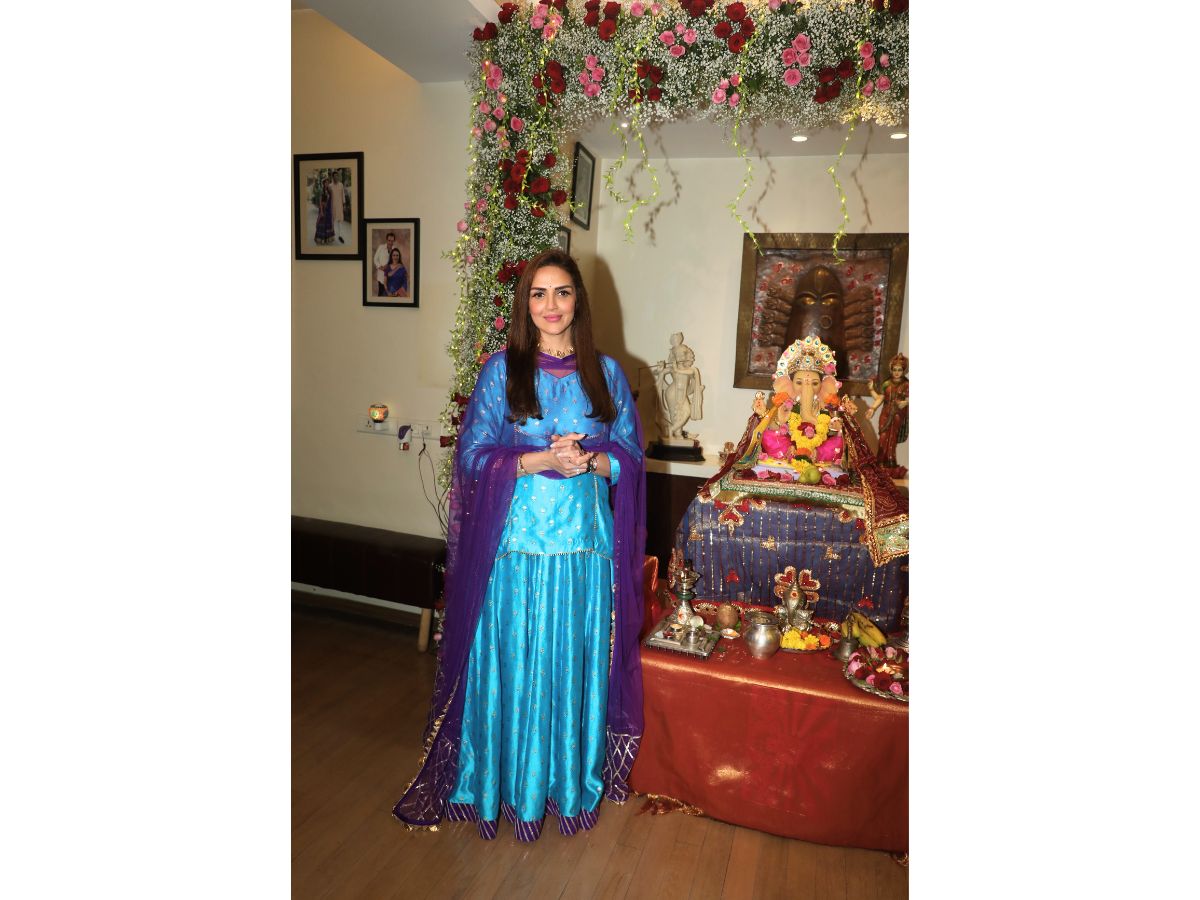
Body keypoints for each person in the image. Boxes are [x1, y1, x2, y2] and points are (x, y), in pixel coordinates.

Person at [393, 248, 646, 842]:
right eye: (538, 293)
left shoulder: (606, 373)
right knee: (514, 661)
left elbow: (631, 456)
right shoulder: (502, 371)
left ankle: (564, 785)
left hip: (584, 551)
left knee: (572, 664)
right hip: (516, 549)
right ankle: (500, 785)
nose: (551, 305)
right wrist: (538, 460)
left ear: (578, 300)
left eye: (562, 292)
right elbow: (473, 455)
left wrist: (588, 462)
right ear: (525, 303)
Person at [867, 352, 909, 469]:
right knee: (883, 436)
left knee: (892, 438)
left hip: (897, 414)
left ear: (903, 370)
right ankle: (880, 460)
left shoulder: (906, 384)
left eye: (899, 370)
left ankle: (890, 460)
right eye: (894, 369)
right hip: (885, 414)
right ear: (891, 370)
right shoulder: (887, 383)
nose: (897, 372)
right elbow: (879, 398)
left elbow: (908, 399)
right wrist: (872, 406)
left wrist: (906, 402)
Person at [374, 232, 397, 296]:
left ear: (394, 241)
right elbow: (375, 259)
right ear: (386, 240)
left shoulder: (395, 249)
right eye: (389, 240)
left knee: (390, 294)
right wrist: (381, 267)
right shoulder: (381, 247)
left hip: (391, 276)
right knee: (381, 293)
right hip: (381, 275)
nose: (390, 242)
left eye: (392, 241)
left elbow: (397, 261)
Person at [313, 176, 334, 245]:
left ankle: (327, 239)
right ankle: (320, 238)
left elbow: (331, 201)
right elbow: (320, 201)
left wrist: (331, 209)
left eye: (328, 182)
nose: (327, 184)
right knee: (321, 223)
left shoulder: (330, 191)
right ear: (323, 183)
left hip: (328, 209)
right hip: (323, 209)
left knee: (328, 223)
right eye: (325, 182)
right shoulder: (321, 191)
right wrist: (321, 211)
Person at [328, 170, 346, 244]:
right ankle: (333, 236)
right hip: (332, 205)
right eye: (334, 176)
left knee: (340, 221)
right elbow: (328, 196)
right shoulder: (330, 186)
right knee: (333, 220)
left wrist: (344, 204)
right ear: (332, 177)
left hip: (340, 205)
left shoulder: (341, 185)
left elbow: (343, 195)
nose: (336, 177)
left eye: (337, 176)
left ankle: (340, 236)